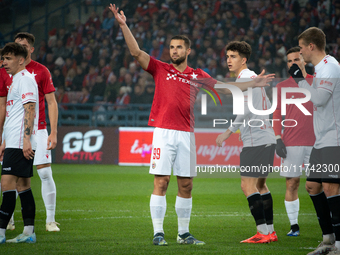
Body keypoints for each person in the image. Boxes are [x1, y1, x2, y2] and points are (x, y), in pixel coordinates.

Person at [109, 4, 274, 246]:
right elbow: (136, 52)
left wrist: (254, 83)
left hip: (186, 134)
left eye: (178, 47)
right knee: (161, 181)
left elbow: (226, 90)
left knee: (186, 185)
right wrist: (124, 26)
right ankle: (158, 233)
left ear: (188, 50)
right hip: (163, 133)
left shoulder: (197, 74)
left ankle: (184, 234)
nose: (173, 51)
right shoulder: (160, 68)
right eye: (171, 47)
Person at [216, 41, 277, 244]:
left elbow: (245, 110)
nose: (228, 60)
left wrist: (228, 132)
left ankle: (262, 233)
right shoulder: (253, 78)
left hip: (255, 140)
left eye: (233, 56)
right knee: (261, 185)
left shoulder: (245, 78)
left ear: (243, 60)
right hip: (267, 138)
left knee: (247, 185)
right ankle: (270, 231)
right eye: (227, 56)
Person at [1, 32, 60, 232]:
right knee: (13, 177)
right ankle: (10, 221)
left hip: (38, 129)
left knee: (43, 171)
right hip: (13, 132)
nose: (20, 48)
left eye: (24, 46)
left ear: (31, 49)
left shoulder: (40, 71)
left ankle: (50, 220)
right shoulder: (6, 72)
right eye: (17, 45)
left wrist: (53, 132)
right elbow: (3, 105)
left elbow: (51, 102)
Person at [289, 27, 340, 255]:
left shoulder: (330, 66)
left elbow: (318, 99)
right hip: (322, 138)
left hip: (334, 137)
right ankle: (328, 239)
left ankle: (338, 245)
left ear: (311, 46)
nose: (300, 52)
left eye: (301, 47)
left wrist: (300, 80)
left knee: (331, 186)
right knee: (312, 185)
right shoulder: (320, 68)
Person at [273, 46, 314, 237]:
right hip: (292, 142)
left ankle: (329, 224)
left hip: (317, 142)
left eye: (296, 59)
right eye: (289, 61)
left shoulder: (317, 83)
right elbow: (276, 115)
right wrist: (278, 138)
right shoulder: (281, 87)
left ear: (304, 60)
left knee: (321, 184)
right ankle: (294, 226)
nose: (293, 64)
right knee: (292, 184)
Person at [0, 42, 39, 243]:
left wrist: (25, 139)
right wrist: (5, 141)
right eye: (3, 58)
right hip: (14, 140)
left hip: (19, 141)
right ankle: (28, 233)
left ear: (21, 60)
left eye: (8, 58)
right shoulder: (16, 79)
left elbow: (30, 109)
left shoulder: (24, 79)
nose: (3, 62)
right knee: (23, 186)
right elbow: (14, 115)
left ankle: (0, 233)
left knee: (6, 183)